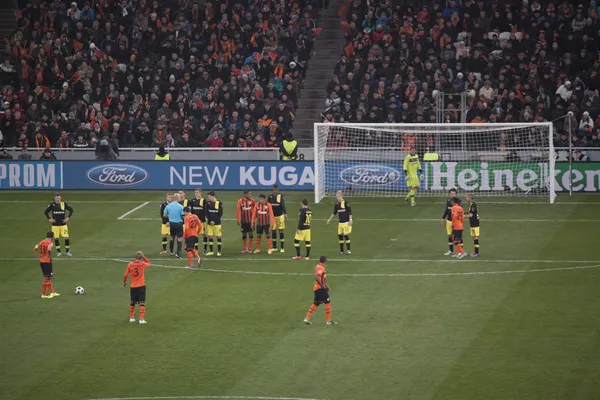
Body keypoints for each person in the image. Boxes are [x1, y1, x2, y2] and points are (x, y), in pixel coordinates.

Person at [304, 256, 336, 325]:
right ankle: (329, 321)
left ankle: (307, 318)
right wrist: (322, 286)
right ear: (325, 261)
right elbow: (316, 277)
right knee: (327, 302)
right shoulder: (321, 267)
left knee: (316, 303)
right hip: (320, 289)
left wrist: (326, 286)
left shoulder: (318, 266)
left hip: (317, 288)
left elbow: (322, 279)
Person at [123, 251, 151, 324]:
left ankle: (131, 317)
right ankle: (141, 319)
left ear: (135, 257)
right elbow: (149, 263)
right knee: (142, 302)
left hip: (133, 286)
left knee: (132, 302)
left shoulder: (130, 264)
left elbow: (125, 275)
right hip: (141, 286)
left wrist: (124, 282)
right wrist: (144, 257)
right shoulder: (142, 264)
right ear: (141, 258)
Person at [34, 231, 59, 299]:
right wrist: (49, 255)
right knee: (47, 278)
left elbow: (35, 249)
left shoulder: (41, 242)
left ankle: (52, 292)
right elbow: (49, 249)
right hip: (47, 262)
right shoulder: (50, 243)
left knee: (49, 277)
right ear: (52, 237)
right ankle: (44, 294)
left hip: (42, 261)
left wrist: (38, 257)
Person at [326, 190, 352, 255]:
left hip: (346, 222)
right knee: (340, 236)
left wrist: (350, 220)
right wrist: (329, 219)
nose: (338, 197)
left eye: (339, 196)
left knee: (346, 235)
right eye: (337, 196)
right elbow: (334, 213)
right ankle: (341, 250)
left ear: (341, 196)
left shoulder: (346, 202)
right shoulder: (337, 204)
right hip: (340, 223)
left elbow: (350, 212)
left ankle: (348, 250)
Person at [163, 194, 185, 259]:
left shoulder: (168, 206)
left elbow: (164, 215)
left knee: (172, 237)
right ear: (178, 198)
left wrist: (170, 217)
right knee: (179, 238)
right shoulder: (181, 206)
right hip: (179, 223)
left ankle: (171, 252)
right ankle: (178, 253)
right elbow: (183, 216)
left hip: (171, 224)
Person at [268, 184, 288, 252]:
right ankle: (275, 247)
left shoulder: (280, 196)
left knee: (281, 231)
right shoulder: (270, 197)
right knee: (273, 231)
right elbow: (268, 206)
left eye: (276, 190)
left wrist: (285, 213)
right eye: (274, 190)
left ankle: (282, 248)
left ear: (278, 190)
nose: (275, 191)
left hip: (280, 216)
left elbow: (283, 205)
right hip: (273, 216)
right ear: (272, 190)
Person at [189, 188, 208, 254]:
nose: (196, 193)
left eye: (197, 192)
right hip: (195, 222)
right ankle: (196, 249)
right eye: (195, 192)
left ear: (200, 193)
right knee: (195, 235)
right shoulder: (192, 201)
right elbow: (191, 211)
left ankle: (205, 249)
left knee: (204, 234)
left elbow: (206, 210)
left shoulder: (204, 200)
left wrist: (205, 217)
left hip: (202, 221)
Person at [206, 191, 224, 256]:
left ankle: (219, 251)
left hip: (217, 223)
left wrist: (214, 221)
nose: (209, 198)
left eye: (209, 197)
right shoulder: (208, 203)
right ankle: (211, 251)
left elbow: (220, 214)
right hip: (209, 224)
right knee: (210, 236)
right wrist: (210, 221)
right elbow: (207, 213)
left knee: (218, 236)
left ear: (213, 196)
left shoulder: (219, 203)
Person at [441, 188, 458, 256]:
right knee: (449, 236)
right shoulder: (448, 201)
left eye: (454, 193)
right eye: (451, 193)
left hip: (455, 221)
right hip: (449, 221)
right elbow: (446, 210)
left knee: (456, 236)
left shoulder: (458, 202)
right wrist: (443, 218)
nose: (452, 195)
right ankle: (451, 250)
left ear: (456, 194)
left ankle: (459, 251)